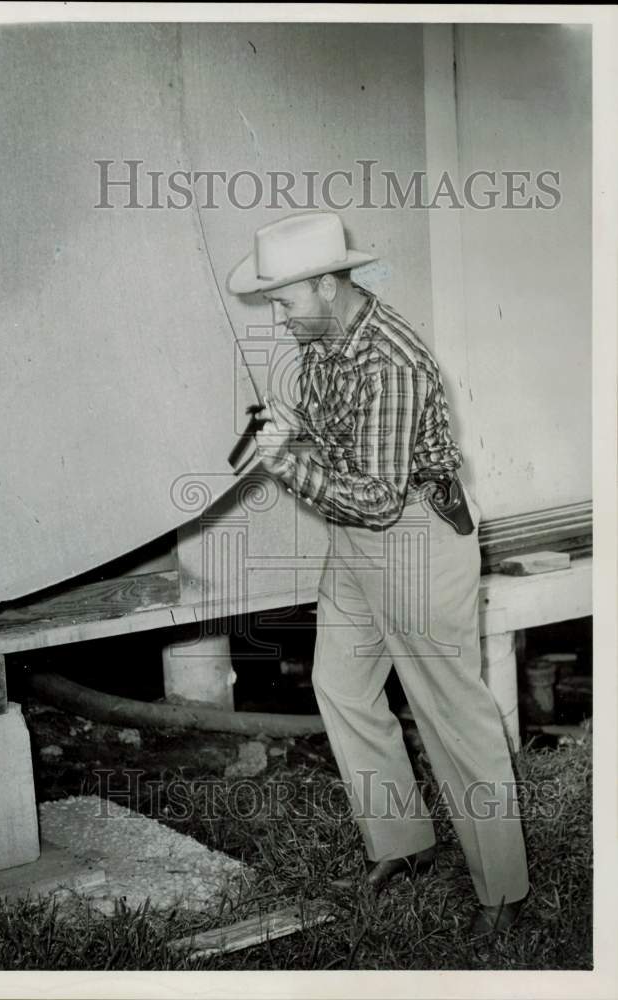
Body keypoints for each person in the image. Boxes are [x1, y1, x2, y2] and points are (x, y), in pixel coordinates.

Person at [226, 211, 529, 937]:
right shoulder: (324, 342)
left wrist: (284, 460)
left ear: (328, 285)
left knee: (449, 710)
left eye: (285, 301)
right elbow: (348, 450)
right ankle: (403, 842)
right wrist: (293, 428)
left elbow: (378, 496)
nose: (279, 316)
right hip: (357, 541)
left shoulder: (388, 361)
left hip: (412, 537)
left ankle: (503, 893)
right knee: (340, 684)